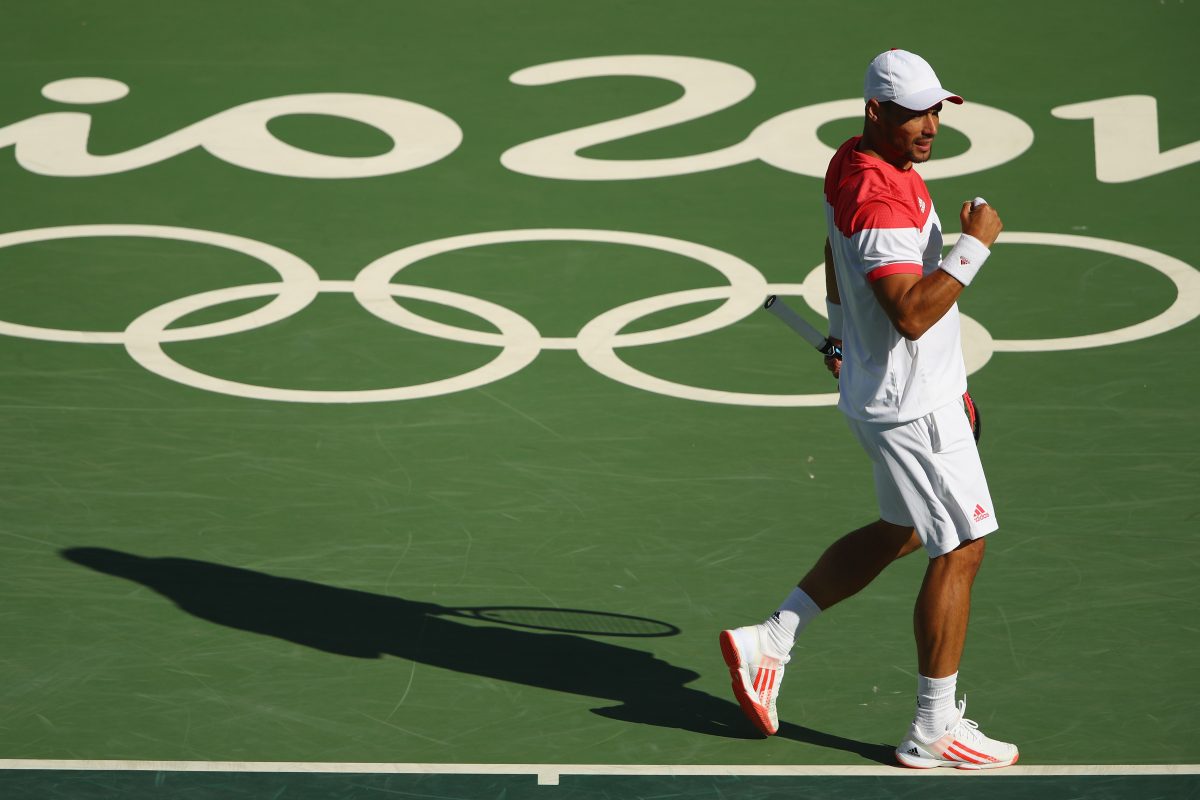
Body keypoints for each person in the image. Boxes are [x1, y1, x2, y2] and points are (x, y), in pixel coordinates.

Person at [719, 49, 1018, 770]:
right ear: (876, 111)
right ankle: (933, 728)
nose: (930, 125)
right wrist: (975, 247)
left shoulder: (851, 162)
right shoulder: (881, 199)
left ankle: (771, 639)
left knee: (904, 528)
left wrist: (840, 332)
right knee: (961, 546)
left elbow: (833, 249)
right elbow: (911, 315)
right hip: (913, 406)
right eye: (914, 113)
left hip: (894, 391)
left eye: (936, 109)